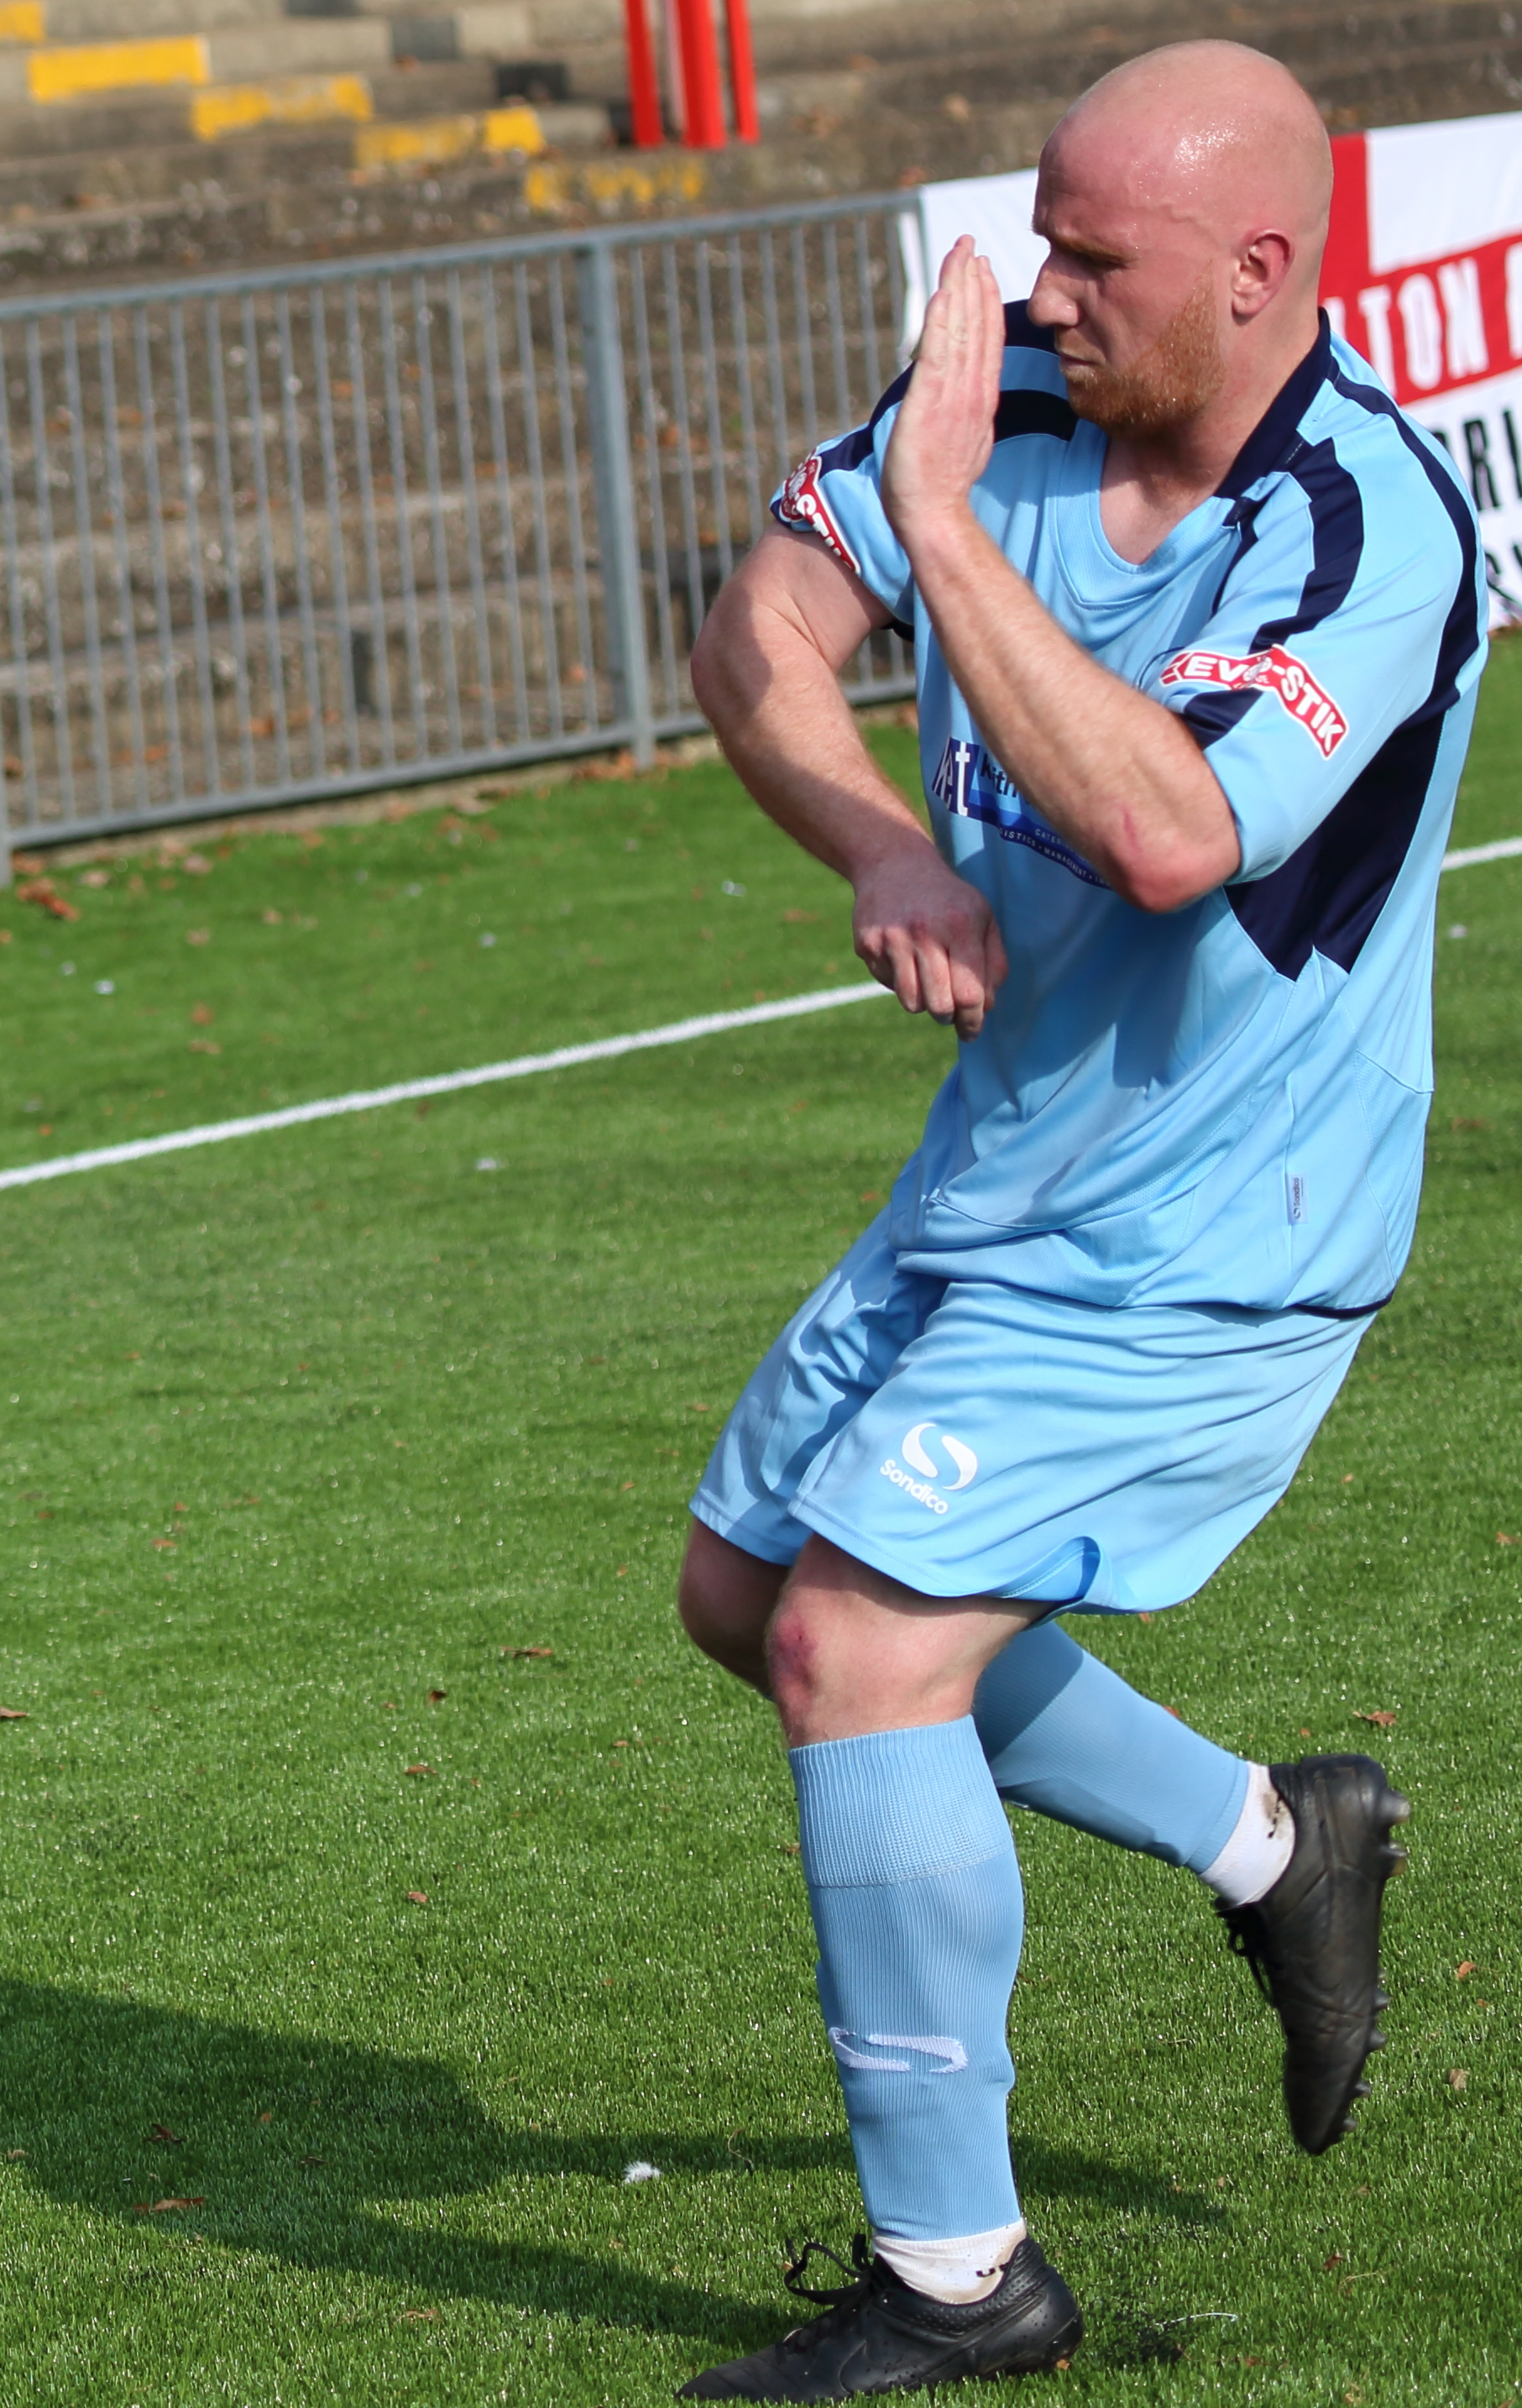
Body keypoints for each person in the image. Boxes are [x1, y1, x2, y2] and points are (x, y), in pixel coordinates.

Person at [673, 41, 1481, 2400]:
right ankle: (1270, 1845)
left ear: (1256, 274)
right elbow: (753, 634)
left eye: (1091, 257)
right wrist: (877, 840)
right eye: (1034, 236)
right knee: (742, 1594)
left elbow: (1160, 835)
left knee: (855, 1648)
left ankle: (960, 2278)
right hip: (1007, 1166)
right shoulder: (1009, 386)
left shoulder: (1368, 524)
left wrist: (935, 530)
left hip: (1224, 1225)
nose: (1039, 289)